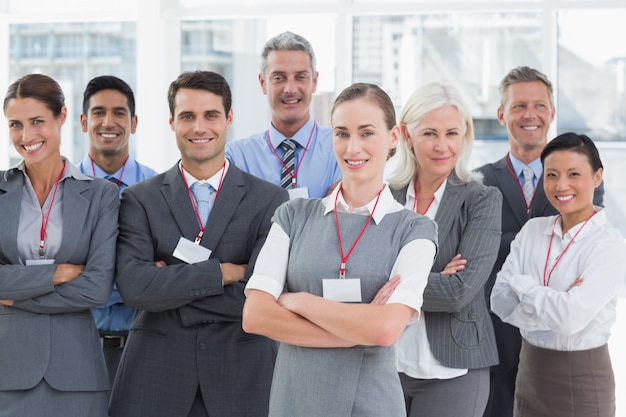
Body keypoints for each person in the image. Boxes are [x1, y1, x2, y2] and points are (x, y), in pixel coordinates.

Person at [242, 83, 438, 417]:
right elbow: (256, 316)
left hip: (371, 403)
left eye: (366, 133)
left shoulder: (415, 230)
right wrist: (359, 329)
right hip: (295, 401)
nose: (353, 147)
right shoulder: (292, 215)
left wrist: (299, 301)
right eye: (342, 133)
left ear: (393, 137)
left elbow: (386, 329)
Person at [109, 70, 288, 417]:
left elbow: (263, 297)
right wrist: (224, 273)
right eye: (187, 116)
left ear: (229, 119)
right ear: (172, 122)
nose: (199, 127)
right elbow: (135, 288)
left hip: (243, 374)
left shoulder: (270, 200)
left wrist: (169, 291)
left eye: (211, 115)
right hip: (157, 377)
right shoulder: (139, 199)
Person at [475, 66, 604, 417]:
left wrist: (508, 251)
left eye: (539, 105)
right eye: (518, 106)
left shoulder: (583, 178)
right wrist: (540, 245)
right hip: (496, 333)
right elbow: (478, 254)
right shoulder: (479, 183)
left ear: (552, 112)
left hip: (558, 345)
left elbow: (582, 249)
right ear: (502, 114)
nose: (529, 115)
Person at [0, 74, 118, 416]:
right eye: (16, 125)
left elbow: (97, 288)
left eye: (38, 121)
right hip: (8, 370)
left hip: (78, 372)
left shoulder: (101, 195)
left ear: (62, 116)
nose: (26, 136)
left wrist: (12, 295)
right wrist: (56, 274)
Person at [388, 82, 502, 417]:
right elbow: (362, 274)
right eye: (429, 134)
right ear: (407, 136)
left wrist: (392, 279)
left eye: (452, 133)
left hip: (455, 370)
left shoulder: (481, 199)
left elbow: (458, 292)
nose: (442, 146)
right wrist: (431, 277)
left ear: (464, 136)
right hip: (386, 364)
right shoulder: (386, 198)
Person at [491, 132, 624, 417]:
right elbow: (500, 301)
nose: (561, 185)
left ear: (597, 176)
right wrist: (557, 302)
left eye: (574, 173)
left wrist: (522, 285)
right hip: (529, 375)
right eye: (551, 175)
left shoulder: (609, 244)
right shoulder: (532, 231)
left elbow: (570, 318)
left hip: (583, 379)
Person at [76, 75, 158, 385]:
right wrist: (137, 278)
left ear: (133, 122)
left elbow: (164, 278)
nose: (108, 121)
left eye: (119, 113)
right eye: (98, 112)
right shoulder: (60, 190)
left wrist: (88, 277)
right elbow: (56, 274)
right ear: (84, 122)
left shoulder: (161, 190)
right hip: (78, 347)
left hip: (145, 348)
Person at [225, 31, 341, 199]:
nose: (290, 89)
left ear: (314, 82)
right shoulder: (237, 156)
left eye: (300, 77)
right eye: (279, 78)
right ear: (263, 83)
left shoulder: (341, 147)